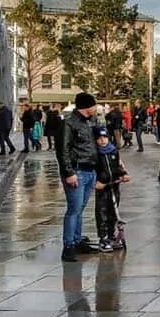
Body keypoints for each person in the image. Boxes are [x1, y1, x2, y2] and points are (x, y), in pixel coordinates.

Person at [56, 92, 102, 262]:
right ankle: (68, 246)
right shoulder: (69, 123)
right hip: (77, 172)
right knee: (74, 210)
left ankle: (77, 240)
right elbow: (63, 150)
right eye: (93, 105)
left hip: (90, 171)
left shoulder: (89, 123)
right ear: (87, 106)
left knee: (80, 209)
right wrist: (69, 173)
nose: (95, 108)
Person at [92, 126, 130, 252]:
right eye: (99, 138)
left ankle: (111, 234)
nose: (102, 140)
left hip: (114, 185)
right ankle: (103, 237)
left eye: (104, 137)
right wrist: (96, 182)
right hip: (102, 186)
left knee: (113, 210)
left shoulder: (113, 151)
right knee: (102, 212)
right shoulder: (95, 153)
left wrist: (123, 174)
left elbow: (117, 165)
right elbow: (93, 169)